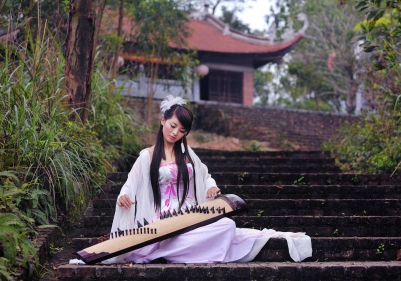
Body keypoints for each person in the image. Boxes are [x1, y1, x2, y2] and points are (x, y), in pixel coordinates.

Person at [105, 95, 312, 264]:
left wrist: (211, 188)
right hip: (163, 220)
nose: (176, 133)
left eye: (182, 131)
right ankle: (164, 250)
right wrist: (124, 196)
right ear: (163, 121)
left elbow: (205, 175)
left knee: (228, 226)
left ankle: (170, 252)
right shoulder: (147, 156)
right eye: (173, 126)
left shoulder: (187, 153)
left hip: (192, 215)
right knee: (163, 237)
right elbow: (129, 184)